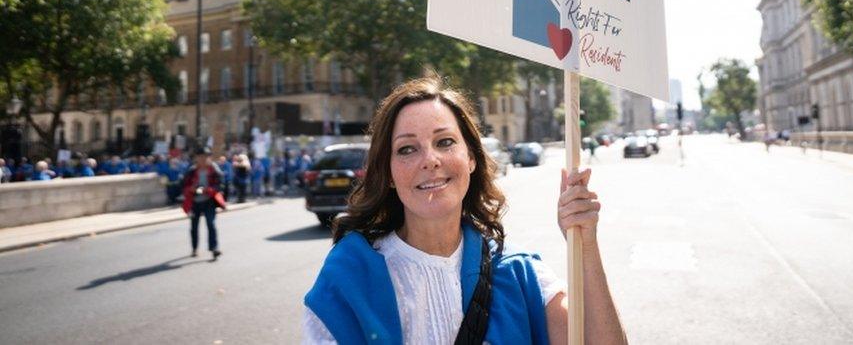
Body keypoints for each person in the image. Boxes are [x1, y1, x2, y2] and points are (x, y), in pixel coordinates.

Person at [302, 76, 627, 344]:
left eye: (444, 142)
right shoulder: (348, 278)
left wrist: (585, 246)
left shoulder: (519, 273)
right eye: (407, 149)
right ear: (387, 173)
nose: (430, 159)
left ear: (471, 158)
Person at [182, 146, 227, 260]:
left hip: (209, 201)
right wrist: (191, 189)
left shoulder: (214, 169)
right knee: (194, 226)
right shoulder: (192, 170)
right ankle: (194, 248)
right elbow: (184, 184)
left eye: (205, 157)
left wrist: (209, 190)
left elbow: (220, 185)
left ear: (209, 158)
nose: (203, 159)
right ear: (196, 158)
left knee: (211, 224)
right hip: (194, 202)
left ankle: (214, 248)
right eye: (200, 157)